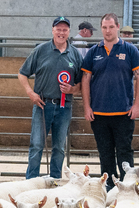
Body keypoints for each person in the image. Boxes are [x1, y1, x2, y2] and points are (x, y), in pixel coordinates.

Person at [82, 13, 139, 191]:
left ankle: (127, 188)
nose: (107, 30)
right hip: (99, 114)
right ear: (101, 28)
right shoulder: (93, 52)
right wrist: (87, 107)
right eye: (104, 27)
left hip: (123, 113)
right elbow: (85, 80)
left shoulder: (130, 50)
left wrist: (137, 105)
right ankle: (109, 189)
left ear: (118, 27)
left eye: (111, 27)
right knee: (105, 153)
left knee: (124, 153)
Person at [18, 16, 83, 180]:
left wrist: (72, 89)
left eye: (65, 29)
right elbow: (22, 73)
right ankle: (31, 181)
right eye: (58, 29)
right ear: (53, 30)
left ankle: (55, 180)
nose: (61, 32)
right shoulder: (41, 50)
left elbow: (82, 84)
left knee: (59, 147)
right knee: (37, 145)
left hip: (64, 107)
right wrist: (30, 93)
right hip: (42, 104)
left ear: (69, 32)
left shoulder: (75, 54)